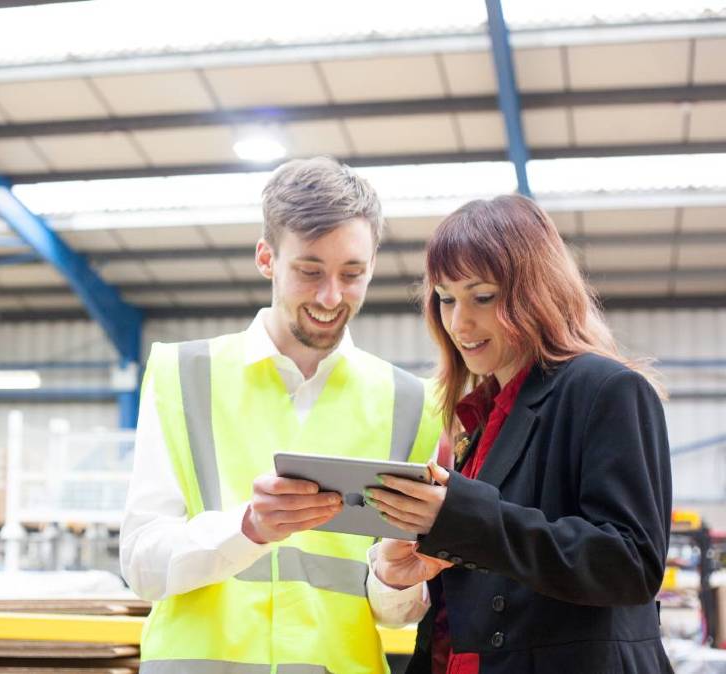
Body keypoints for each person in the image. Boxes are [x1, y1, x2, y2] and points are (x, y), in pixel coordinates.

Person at [120, 156, 443, 673]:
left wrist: (396, 579)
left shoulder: (413, 403)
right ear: (267, 258)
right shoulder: (181, 375)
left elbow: (397, 612)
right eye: (309, 271)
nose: (330, 296)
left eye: (352, 274)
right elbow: (141, 564)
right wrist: (246, 529)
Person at [363, 194, 674, 674]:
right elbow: (488, 588)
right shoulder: (479, 419)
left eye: (482, 296)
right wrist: (406, 574)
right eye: (446, 299)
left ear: (536, 291)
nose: (460, 323)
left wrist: (462, 518)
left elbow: (630, 564)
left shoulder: (607, 389)